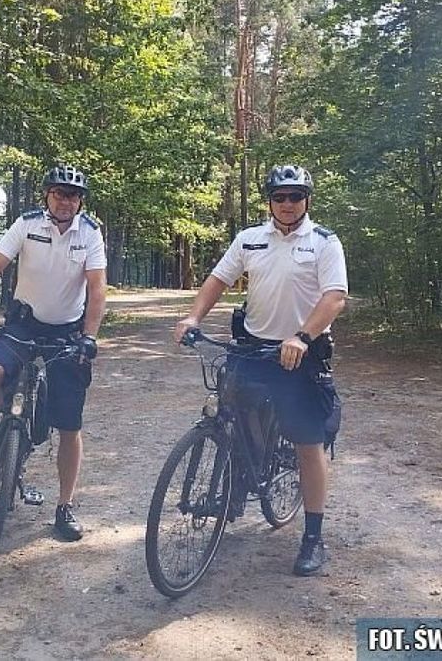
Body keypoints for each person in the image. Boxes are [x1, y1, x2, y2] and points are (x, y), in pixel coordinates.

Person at [173, 164, 348, 576]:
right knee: (231, 418)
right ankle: (239, 483)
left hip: (300, 354)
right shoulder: (250, 239)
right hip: (252, 349)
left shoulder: (324, 242)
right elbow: (218, 279)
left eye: (295, 196)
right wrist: (193, 317)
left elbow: (335, 298)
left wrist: (302, 337)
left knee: (308, 445)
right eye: (279, 197)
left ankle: (312, 537)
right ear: (269, 200)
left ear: (307, 199)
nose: (287, 204)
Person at [0, 163, 108, 542]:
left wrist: (90, 337)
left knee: (69, 424)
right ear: (47, 196)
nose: (65, 200)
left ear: (80, 202)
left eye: (72, 195)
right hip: (22, 323)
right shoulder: (26, 224)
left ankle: (65, 506)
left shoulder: (90, 234)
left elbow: (96, 289)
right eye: (58, 193)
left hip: (66, 333)